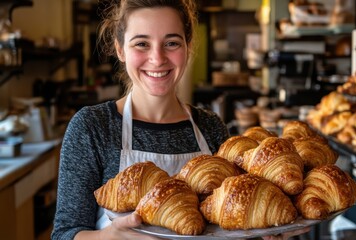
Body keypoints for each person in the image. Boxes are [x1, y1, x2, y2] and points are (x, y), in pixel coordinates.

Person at [51, 0, 309, 239]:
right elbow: (65, 232)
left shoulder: (211, 128)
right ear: (120, 50)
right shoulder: (92, 127)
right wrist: (109, 237)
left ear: (188, 47)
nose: (157, 58)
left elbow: (229, 220)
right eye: (142, 43)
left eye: (171, 43)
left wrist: (264, 230)